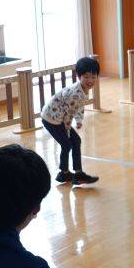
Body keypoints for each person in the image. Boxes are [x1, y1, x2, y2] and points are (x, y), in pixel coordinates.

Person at [40, 56, 100, 186]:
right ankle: (64, 173)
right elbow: (69, 113)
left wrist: (79, 120)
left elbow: (79, 107)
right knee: (66, 144)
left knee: (75, 141)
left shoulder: (83, 90)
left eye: (93, 77)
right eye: (86, 77)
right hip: (51, 119)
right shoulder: (75, 93)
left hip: (60, 118)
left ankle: (78, 174)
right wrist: (67, 128)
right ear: (79, 76)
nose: (90, 80)